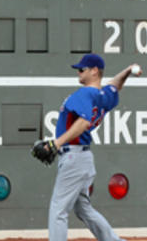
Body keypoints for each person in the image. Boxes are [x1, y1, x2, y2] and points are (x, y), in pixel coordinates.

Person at [48, 53, 141, 241]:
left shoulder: (84, 93)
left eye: (82, 69)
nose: (78, 72)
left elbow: (83, 121)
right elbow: (115, 85)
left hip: (73, 157)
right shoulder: (102, 96)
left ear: (94, 71)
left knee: (58, 210)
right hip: (83, 158)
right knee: (83, 209)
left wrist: (56, 143)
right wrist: (128, 71)